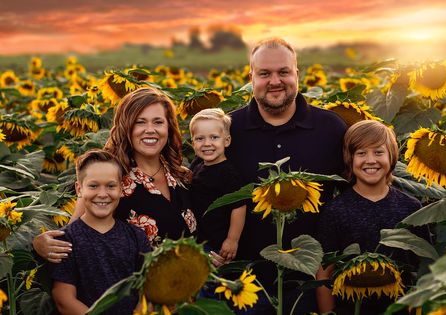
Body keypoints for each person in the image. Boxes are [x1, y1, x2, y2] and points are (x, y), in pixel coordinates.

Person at [226, 38, 347, 314]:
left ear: (297, 74)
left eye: (283, 72)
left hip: (313, 286)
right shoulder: (228, 130)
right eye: (265, 74)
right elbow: (205, 191)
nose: (275, 81)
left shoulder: (330, 128)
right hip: (247, 286)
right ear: (251, 77)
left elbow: (355, 189)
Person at [33, 87, 197, 260]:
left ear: (169, 127)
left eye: (158, 122)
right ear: (126, 127)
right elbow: (73, 234)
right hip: (132, 284)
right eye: (140, 122)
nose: (150, 129)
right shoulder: (109, 179)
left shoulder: (182, 176)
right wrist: (40, 243)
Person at [315, 120, 423, 315]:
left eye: (378, 152)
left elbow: (423, 271)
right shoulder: (335, 210)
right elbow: (323, 276)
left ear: (392, 157)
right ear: (349, 159)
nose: (371, 160)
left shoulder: (412, 208)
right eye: (361, 153)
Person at [50, 149, 151, 314]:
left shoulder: (136, 236)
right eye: (93, 186)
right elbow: (64, 299)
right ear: (79, 189)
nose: (102, 194)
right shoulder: (66, 239)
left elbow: (149, 290)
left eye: (111, 186)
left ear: (121, 188)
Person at [189, 108, 246, 262]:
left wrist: (232, 240)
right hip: (198, 236)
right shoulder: (198, 164)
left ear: (226, 141)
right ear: (192, 143)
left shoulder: (227, 174)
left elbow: (239, 207)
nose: (207, 144)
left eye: (214, 137)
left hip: (217, 241)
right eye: (200, 139)